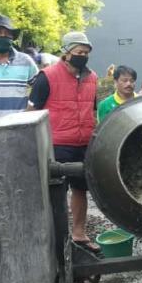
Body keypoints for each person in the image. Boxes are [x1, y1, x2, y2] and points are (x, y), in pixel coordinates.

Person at [28, 32, 99, 252]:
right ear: (66, 52)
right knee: (55, 191)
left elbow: (92, 109)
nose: (83, 56)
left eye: (86, 53)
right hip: (57, 143)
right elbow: (31, 112)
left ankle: (79, 233)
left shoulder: (92, 78)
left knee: (80, 189)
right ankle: (54, 239)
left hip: (83, 143)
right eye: (79, 52)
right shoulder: (46, 77)